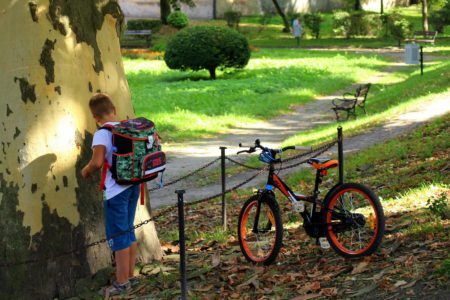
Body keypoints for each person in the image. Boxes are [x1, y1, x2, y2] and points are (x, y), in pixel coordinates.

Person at [81, 93, 140, 296]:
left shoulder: (101, 133)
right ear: (113, 109)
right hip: (133, 186)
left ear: (95, 118)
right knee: (129, 230)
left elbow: (97, 162)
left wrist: (86, 170)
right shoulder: (126, 128)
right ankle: (131, 276)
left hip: (115, 191)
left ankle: (122, 282)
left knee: (119, 235)